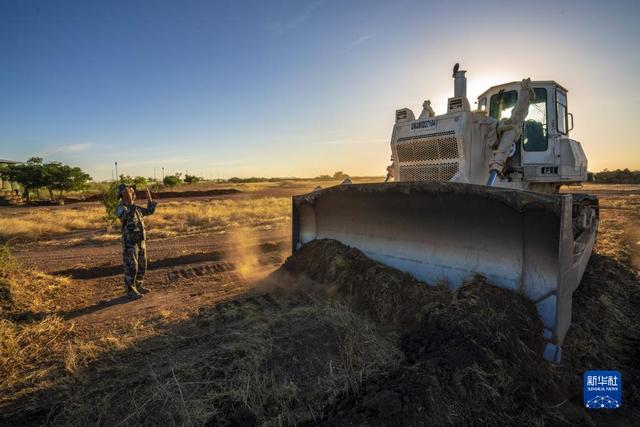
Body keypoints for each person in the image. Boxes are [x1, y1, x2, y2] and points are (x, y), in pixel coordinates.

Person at [115, 184, 157, 299]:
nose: (132, 194)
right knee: (132, 267)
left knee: (142, 265)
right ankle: (131, 291)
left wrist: (149, 198)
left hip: (140, 241)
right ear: (122, 196)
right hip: (130, 243)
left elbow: (150, 211)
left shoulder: (137, 207)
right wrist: (129, 201)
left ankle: (139, 286)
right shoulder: (121, 208)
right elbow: (127, 214)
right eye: (129, 193)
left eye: (132, 193)